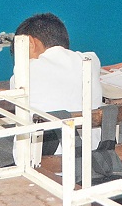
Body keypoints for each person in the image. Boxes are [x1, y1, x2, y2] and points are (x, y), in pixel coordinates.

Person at [10, 12, 103, 155]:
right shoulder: (92, 60)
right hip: (93, 158)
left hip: (45, 165)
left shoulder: (24, 72)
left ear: (30, 43)